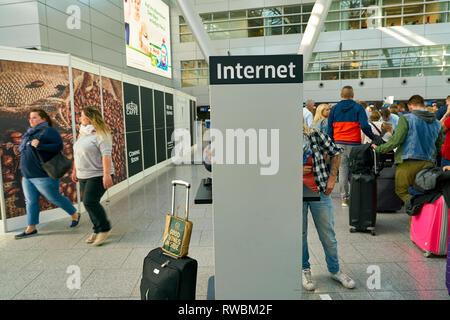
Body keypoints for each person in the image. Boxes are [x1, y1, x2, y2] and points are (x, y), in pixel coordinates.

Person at [302, 118, 356, 291]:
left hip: (319, 189)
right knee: (299, 235)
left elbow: (337, 152)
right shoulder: (280, 138)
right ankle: (304, 270)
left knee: (327, 234)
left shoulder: (314, 135)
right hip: (294, 193)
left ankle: (335, 270)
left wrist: (333, 178)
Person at [15, 109, 80, 239]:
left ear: (43, 119)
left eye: (34, 117)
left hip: (43, 175)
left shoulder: (49, 131)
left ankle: (74, 214)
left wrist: (41, 146)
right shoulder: (28, 133)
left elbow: (58, 146)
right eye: (30, 118)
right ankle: (31, 227)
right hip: (27, 176)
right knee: (31, 201)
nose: (31, 120)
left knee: (54, 198)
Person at [373, 95, 443, 203]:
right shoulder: (437, 123)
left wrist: (379, 149)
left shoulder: (406, 118)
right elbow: (439, 147)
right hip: (429, 163)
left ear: (410, 106)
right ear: (423, 105)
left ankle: (415, 208)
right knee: (423, 192)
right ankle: (421, 214)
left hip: (408, 162)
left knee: (401, 190)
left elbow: (396, 140)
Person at [72, 106, 114, 246]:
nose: (79, 118)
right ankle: (97, 229)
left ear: (89, 118)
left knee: (90, 201)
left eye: (82, 116)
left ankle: (104, 229)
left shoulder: (102, 134)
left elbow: (106, 155)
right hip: (83, 174)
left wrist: (107, 175)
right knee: (88, 203)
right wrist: (74, 171)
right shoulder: (83, 133)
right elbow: (77, 153)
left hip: (98, 174)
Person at [327, 86, 375, 207]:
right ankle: (356, 195)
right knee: (355, 170)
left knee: (342, 171)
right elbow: (364, 126)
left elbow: (329, 129)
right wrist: (373, 137)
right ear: (352, 95)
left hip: (338, 143)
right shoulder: (358, 107)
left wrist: (332, 143)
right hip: (354, 143)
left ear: (341, 95)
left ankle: (344, 198)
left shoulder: (334, 109)